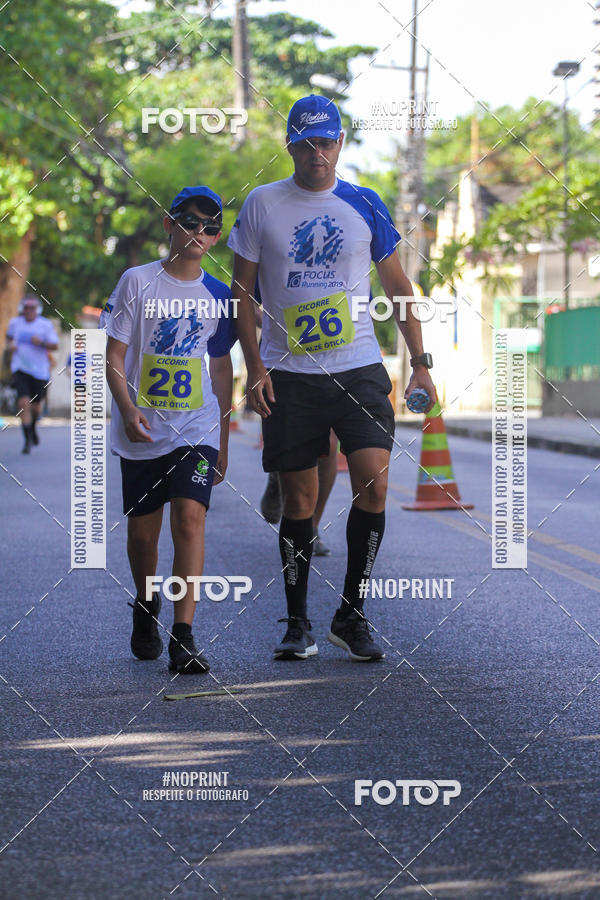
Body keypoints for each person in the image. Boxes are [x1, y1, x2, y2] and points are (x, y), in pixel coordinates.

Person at [229, 95, 436, 662]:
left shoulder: (365, 203)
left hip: (359, 366)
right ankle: (298, 623)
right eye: (305, 142)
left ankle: (352, 611)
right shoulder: (262, 204)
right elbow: (243, 294)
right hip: (291, 373)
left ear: (341, 143)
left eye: (326, 141)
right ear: (290, 144)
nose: (316, 152)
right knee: (301, 500)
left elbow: (398, 288)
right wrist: (254, 364)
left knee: (374, 481)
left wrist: (420, 361)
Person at [105, 185, 236, 674]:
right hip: (141, 428)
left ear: (216, 238)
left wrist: (222, 439)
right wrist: (127, 407)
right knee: (143, 538)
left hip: (195, 428)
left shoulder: (219, 296)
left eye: (209, 226)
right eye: (189, 221)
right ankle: (145, 603)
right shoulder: (136, 282)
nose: (198, 232)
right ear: (169, 223)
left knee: (190, 519)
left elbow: (221, 370)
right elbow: (114, 356)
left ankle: (184, 634)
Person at [5, 296, 59, 454]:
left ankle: (33, 427)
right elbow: (8, 338)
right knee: (23, 402)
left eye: (32, 308)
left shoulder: (45, 325)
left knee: (36, 407)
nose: (29, 311)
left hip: (40, 371)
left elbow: (55, 345)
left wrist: (41, 343)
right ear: (22, 309)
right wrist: (10, 346)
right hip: (20, 369)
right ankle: (27, 439)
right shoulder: (15, 323)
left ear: (37, 310)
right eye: (26, 308)